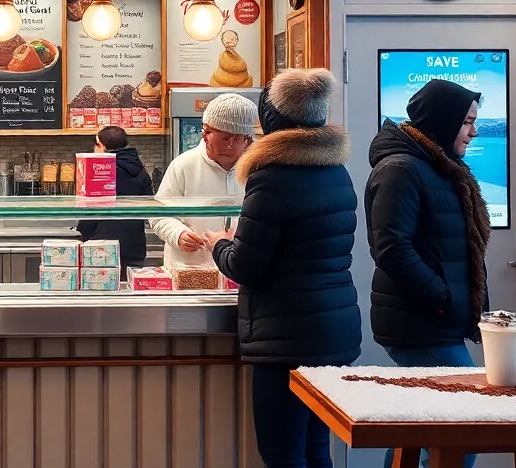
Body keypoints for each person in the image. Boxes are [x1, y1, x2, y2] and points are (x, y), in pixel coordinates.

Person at [204, 69, 361, 468]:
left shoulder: (271, 177)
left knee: (282, 454)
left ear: (271, 120)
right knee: (314, 449)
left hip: (286, 339)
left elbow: (246, 266)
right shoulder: (336, 172)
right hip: (333, 330)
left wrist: (218, 244)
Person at [365, 78, 491, 468]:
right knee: (465, 424)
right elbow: (390, 248)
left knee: (418, 429)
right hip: (420, 322)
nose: (474, 131)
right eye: (467, 122)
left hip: (434, 320)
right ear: (443, 121)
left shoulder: (439, 166)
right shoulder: (402, 169)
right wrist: (442, 298)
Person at [149, 92, 259, 268]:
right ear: (205, 134)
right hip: (190, 271)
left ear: (248, 138)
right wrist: (178, 234)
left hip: (243, 272)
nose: (229, 145)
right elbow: (158, 215)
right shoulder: (183, 165)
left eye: (236, 138)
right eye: (223, 138)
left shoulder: (261, 168)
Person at [76, 126, 152, 272]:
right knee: (128, 292)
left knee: (102, 293)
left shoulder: (98, 171)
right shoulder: (141, 170)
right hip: (134, 246)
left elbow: (90, 211)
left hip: (101, 246)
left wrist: (84, 235)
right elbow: (149, 207)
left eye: (97, 144)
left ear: (104, 147)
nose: (94, 148)